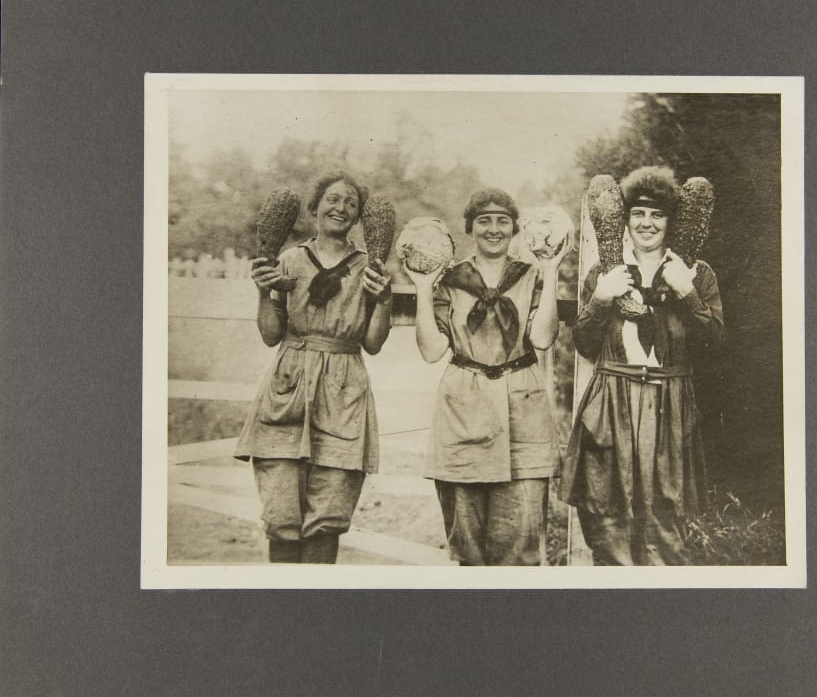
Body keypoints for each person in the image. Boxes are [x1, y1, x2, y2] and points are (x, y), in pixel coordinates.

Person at [560, 166, 724, 565]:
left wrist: (686, 294)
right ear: (625, 219)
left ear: (671, 221)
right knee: (608, 518)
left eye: (657, 214)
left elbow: (715, 344)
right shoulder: (605, 273)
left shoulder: (696, 274)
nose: (647, 223)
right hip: (612, 401)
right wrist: (600, 300)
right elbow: (584, 345)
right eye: (638, 213)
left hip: (670, 402)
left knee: (666, 524)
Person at [404, 188, 571, 566]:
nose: (493, 229)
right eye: (484, 221)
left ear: (515, 229)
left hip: (523, 410)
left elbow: (543, 338)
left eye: (502, 220)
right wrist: (422, 288)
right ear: (470, 228)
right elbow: (431, 351)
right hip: (464, 409)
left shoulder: (531, 276)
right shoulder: (449, 280)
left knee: (521, 547)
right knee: (468, 548)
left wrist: (551, 269)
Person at [234, 172, 392, 564]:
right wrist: (262, 290)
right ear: (316, 207)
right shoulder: (289, 260)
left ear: (358, 218)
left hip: (343, 388)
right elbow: (271, 335)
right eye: (333, 199)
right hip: (289, 383)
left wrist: (384, 300)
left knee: (328, 514)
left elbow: (372, 343)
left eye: (351, 204)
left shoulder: (367, 268)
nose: (341, 208)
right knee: (281, 512)